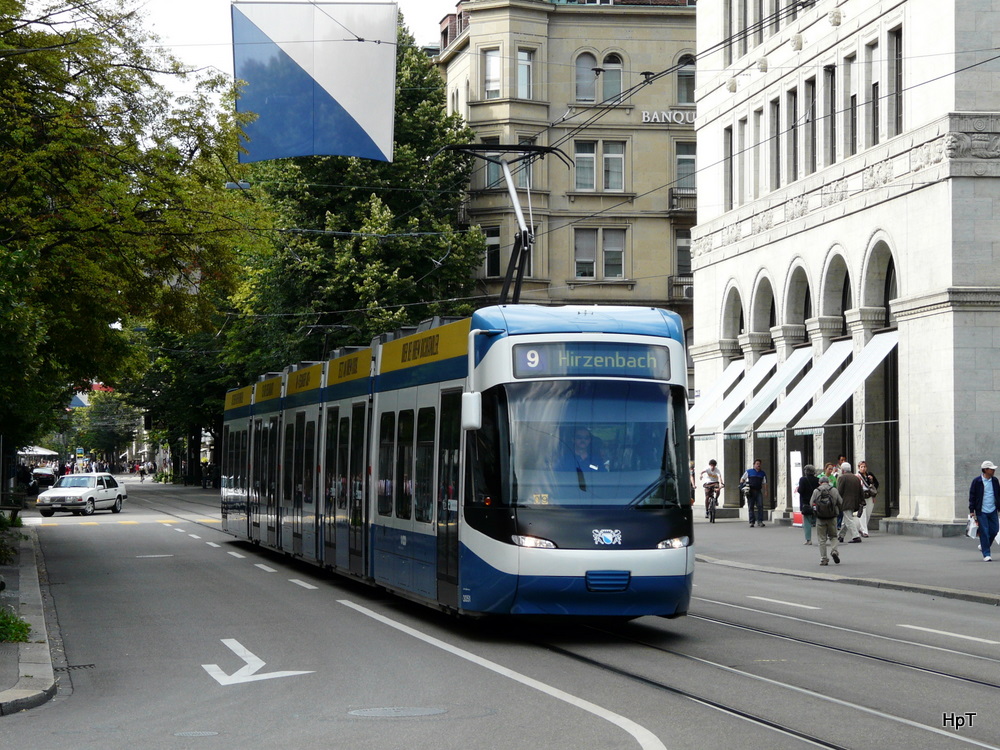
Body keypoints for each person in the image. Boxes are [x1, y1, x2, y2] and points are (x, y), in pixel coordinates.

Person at [968, 460, 1000, 562]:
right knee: (984, 532)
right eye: (991, 469)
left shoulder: (995, 481)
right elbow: (972, 496)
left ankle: (983, 545)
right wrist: (972, 510)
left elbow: (998, 495)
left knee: (994, 530)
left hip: (993, 510)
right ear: (985, 470)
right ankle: (986, 553)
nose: (993, 471)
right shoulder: (977, 481)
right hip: (981, 511)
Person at [810, 475, 842, 566]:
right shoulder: (834, 490)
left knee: (822, 539)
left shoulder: (816, 491)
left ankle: (824, 559)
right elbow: (840, 502)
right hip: (832, 517)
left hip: (820, 518)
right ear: (828, 482)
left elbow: (811, 504)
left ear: (820, 483)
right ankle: (834, 551)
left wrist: (816, 513)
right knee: (833, 536)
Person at [836, 462, 864, 543]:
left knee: (848, 520)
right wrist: (862, 501)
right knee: (846, 520)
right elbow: (860, 490)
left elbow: (839, 491)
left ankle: (856, 536)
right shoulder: (856, 478)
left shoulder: (842, 478)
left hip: (846, 502)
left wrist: (837, 501)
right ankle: (840, 536)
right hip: (854, 501)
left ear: (843, 470)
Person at [740, 458, 767, 528]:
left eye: (759, 464)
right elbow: (742, 478)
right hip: (750, 491)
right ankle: (752, 522)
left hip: (758, 491)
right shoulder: (749, 471)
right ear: (754, 465)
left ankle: (760, 521)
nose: (758, 465)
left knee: (760, 506)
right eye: (757, 464)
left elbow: (765, 483)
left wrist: (766, 491)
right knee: (751, 506)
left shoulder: (762, 473)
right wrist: (741, 486)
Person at [797, 464, 820, 545]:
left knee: (807, 521)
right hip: (816, 502)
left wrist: (798, 489)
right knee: (819, 520)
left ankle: (808, 539)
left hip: (806, 502)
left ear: (806, 471)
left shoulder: (803, 479)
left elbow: (800, 490)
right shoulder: (817, 479)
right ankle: (822, 538)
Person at [856, 461, 879, 537]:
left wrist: (871, 480)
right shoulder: (857, 476)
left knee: (868, 513)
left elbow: (876, 484)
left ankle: (861, 528)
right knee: (863, 514)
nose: (863, 468)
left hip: (869, 495)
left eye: (864, 467)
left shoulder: (870, 475)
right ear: (859, 468)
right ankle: (865, 531)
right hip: (862, 496)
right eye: (861, 467)